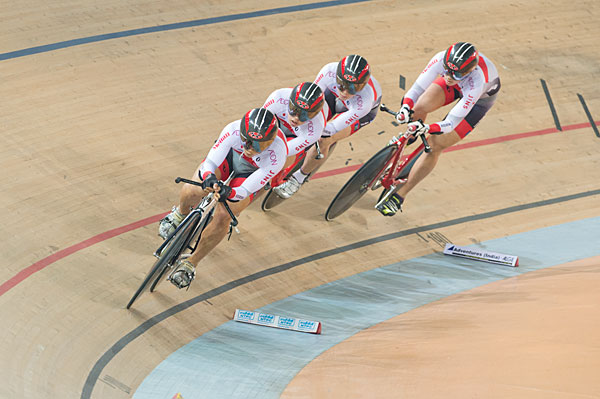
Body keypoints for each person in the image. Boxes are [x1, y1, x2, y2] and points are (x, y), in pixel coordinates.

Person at [158, 108, 288, 288]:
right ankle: (179, 214)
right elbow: (210, 163)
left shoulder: (278, 153)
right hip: (229, 158)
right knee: (195, 187)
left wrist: (230, 193)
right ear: (241, 133)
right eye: (246, 141)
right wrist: (210, 177)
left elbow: (246, 188)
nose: (249, 148)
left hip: (251, 174)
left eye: (257, 145)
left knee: (224, 215)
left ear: (270, 142)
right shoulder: (233, 130)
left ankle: (190, 263)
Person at [377, 42, 501, 216]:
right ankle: (407, 141)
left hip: (479, 100)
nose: (449, 76)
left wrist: (427, 127)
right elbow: (416, 91)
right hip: (460, 86)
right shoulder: (440, 60)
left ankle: (400, 195)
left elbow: (451, 122)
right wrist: (406, 108)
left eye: (456, 73)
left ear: (468, 71)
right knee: (419, 106)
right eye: (447, 70)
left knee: (435, 144)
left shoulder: (476, 80)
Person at [273, 54, 382, 198]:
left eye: (353, 89)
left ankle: (299, 178)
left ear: (362, 86)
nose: (345, 93)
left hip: (358, 114)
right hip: (331, 96)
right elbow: (313, 103)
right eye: (342, 85)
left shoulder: (365, 101)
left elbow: (332, 128)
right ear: (336, 77)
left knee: (324, 139)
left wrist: (314, 135)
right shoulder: (328, 71)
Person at [260, 82, 328, 198]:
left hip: (296, 136)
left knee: (282, 158)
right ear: (289, 103)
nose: (296, 118)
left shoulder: (316, 127)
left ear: (313, 115)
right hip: (277, 125)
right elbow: (260, 123)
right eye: (294, 110)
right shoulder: (278, 97)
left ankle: (296, 178)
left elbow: (286, 151)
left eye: (304, 115)